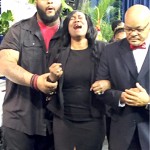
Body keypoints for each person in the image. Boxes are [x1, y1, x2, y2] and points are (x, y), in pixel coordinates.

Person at [0, 0, 62, 149]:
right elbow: (4, 64)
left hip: (59, 124)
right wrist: (35, 81)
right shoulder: (18, 31)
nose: (50, 1)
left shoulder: (70, 34)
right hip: (20, 122)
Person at [46, 10, 111, 150]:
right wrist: (51, 78)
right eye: (72, 19)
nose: (77, 20)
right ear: (67, 27)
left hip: (93, 119)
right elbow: (47, 86)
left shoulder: (103, 49)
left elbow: (116, 77)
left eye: (80, 18)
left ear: (88, 25)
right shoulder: (57, 51)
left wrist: (108, 83)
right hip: (63, 120)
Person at [94, 4, 150, 150]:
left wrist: (148, 102)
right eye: (129, 29)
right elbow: (100, 91)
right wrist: (121, 97)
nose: (133, 34)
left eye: (138, 29)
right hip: (122, 136)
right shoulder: (110, 51)